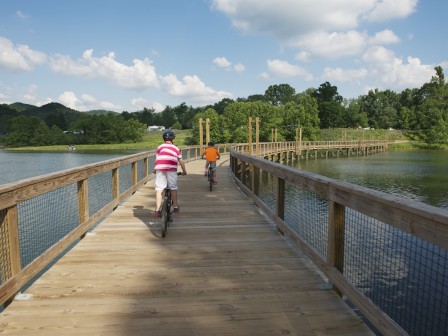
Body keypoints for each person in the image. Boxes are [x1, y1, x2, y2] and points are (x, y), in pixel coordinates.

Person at [153, 130, 187, 217]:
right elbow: (180, 160)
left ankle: (157, 210)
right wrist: (184, 171)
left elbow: (157, 159)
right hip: (171, 169)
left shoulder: (160, 147)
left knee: (159, 188)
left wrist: (154, 169)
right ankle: (175, 206)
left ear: (163, 139)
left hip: (160, 168)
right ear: (173, 139)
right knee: (173, 187)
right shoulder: (175, 148)